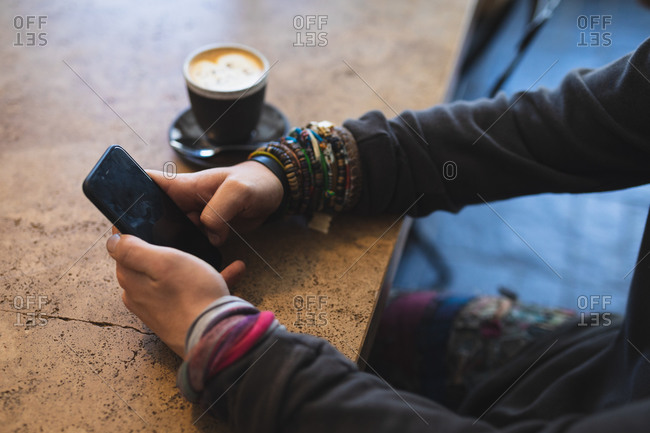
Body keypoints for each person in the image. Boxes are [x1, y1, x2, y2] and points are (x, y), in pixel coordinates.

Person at [105, 36, 650, 432]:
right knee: (389, 320)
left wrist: (225, 345)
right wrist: (287, 172)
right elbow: (544, 130)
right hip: (603, 359)